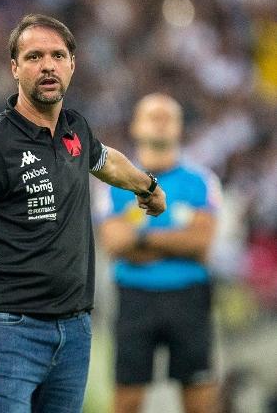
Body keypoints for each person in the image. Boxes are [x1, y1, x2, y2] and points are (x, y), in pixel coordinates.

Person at [0, 14, 166, 413]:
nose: (47, 65)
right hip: (8, 331)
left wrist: (147, 187)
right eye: (34, 56)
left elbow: (104, 160)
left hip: (74, 330)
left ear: (72, 65)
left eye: (58, 55)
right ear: (14, 68)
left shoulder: (75, 128)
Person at [98, 93, 221, 413]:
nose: (161, 121)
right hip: (136, 298)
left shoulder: (202, 181)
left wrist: (139, 239)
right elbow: (113, 242)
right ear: (136, 126)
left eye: (169, 116)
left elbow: (200, 242)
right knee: (127, 400)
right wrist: (176, 240)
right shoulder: (114, 182)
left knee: (199, 397)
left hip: (189, 297)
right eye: (153, 115)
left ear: (180, 128)